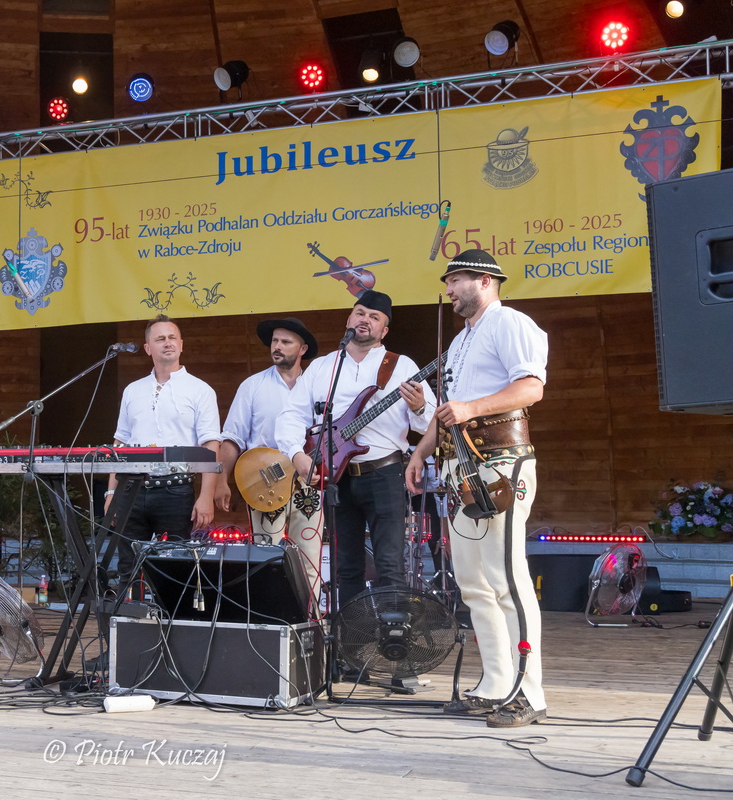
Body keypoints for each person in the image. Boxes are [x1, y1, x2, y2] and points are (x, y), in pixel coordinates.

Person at [405, 249, 549, 728]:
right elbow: (449, 408)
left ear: (485, 281)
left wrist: (471, 408)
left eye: (456, 280)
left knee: (507, 577)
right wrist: (420, 451)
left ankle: (529, 691)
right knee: (474, 582)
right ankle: (496, 684)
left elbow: (531, 388)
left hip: (500, 461)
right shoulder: (462, 340)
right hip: (461, 468)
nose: (448, 290)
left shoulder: (509, 322)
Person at [276, 290, 433, 608]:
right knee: (346, 566)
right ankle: (350, 634)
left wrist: (418, 407)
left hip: (385, 473)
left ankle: (392, 633)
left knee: (390, 564)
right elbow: (291, 415)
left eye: (375, 317)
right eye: (360, 313)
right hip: (336, 478)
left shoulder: (401, 366)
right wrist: (297, 455)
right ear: (349, 318)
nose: (365, 320)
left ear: (384, 331)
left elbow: (430, 423)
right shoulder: (323, 367)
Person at [105, 315, 220, 591]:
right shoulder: (133, 390)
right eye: (160, 339)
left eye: (172, 338)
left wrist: (206, 496)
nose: (167, 343)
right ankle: (132, 617)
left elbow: (210, 446)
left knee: (175, 569)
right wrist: (111, 493)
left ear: (181, 345)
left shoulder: (200, 390)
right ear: (148, 348)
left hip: (175, 490)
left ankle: (170, 620)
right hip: (131, 490)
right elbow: (120, 443)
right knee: (128, 568)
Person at [215, 317, 323, 599]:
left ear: (302, 349)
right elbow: (232, 438)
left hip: (308, 482)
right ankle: (267, 616)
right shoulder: (252, 386)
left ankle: (311, 619)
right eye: (275, 341)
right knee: (265, 558)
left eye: (285, 342)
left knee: (309, 559)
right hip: (265, 481)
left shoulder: (318, 387)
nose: (277, 346)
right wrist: (221, 480)